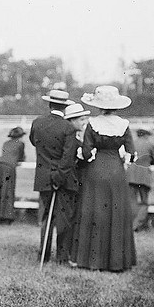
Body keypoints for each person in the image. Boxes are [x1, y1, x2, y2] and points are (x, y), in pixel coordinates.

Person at [74, 86, 137, 272]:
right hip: (116, 171)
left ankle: (93, 261)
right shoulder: (124, 124)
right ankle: (116, 262)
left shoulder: (92, 124)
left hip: (96, 170)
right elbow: (131, 153)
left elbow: (86, 153)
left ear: (99, 106)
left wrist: (86, 155)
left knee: (95, 212)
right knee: (116, 213)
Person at [29, 89, 81, 264]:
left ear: (50, 104)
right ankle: (61, 257)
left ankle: (43, 257)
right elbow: (67, 158)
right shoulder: (68, 127)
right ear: (65, 107)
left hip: (43, 177)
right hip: (62, 180)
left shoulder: (37, 123)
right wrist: (58, 178)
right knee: (63, 219)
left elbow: (33, 141)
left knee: (45, 219)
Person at [62, 102, 91, 267]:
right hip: (70, 184)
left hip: (79, 183)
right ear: (71, 121)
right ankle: (69, 254)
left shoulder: (81, 137)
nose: (84, 122)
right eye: (81, 119)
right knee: (70, 218)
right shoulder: (70, 138)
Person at [0, 126, 26, 224]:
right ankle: (6, 216)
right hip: (8, 167)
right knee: (7, 190)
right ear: (20, 136)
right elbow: (21, 157)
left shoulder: (6, 143)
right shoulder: (21, 144)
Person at [126, 127, 154, 231]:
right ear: (145, 135)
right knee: (144, 202)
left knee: (132, 201)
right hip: (144, 176)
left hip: (131, 175)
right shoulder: (150, 145)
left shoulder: (132, 143)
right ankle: (136, 224)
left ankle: (130, 224)